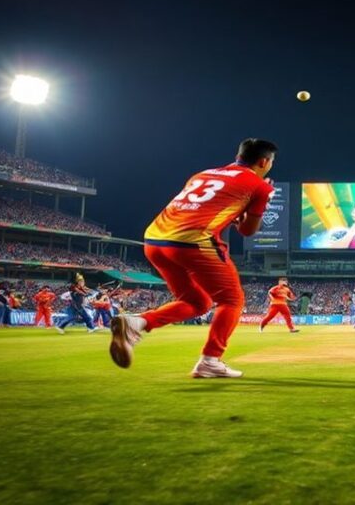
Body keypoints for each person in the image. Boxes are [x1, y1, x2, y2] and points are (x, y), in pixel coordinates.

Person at [109, 138, 277, 378]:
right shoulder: (260, 187)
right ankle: (210, 360)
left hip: (155, 239)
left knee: (198, 303)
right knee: (232, 300)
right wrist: (261, 202)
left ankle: (137, 323)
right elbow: (248, 231)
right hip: (192, 241)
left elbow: (210, 208)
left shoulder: (203, 174)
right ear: (264, 161)